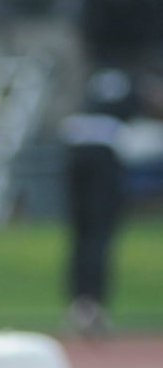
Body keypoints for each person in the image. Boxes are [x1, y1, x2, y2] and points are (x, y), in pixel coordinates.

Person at [59, 67, 133, 337]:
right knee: (98, 233)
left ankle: (80, 303)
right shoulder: (133, 78)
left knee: (81, 233)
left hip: (74, 150)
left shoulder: (95, 76)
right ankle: (92, 304)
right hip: (103, 156)